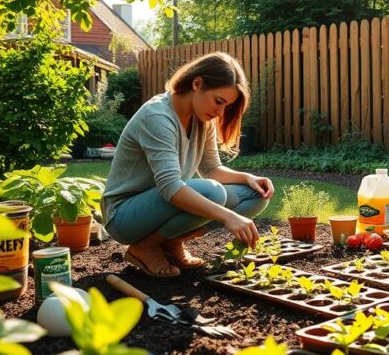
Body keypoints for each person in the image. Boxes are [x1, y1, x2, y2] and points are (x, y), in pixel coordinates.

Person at [102, 52, 274, 277]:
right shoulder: (157, 116)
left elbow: (211, 169)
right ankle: (145, 247)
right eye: (219, 101)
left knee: (255, 195)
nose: (220, 113)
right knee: (212, 193)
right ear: (197, 83)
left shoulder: (203, 119)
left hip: (163, 206)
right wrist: (227, 216)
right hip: (124, 215)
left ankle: (171, 242)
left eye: (227, 106)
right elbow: (170, 187)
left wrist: (248, 178)